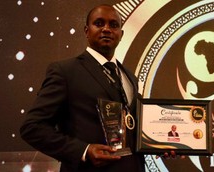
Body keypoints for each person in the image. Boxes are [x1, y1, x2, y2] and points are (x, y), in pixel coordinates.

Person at [20, 4, 145, 172]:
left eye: (113, 25)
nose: (106, 29)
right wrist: (83, 151)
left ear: (121, 34)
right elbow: (32, 127)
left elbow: (133, 127)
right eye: (99, 23)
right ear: (87, 31)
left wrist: (160, 143)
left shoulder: (130, 77)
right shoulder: (65, 72)